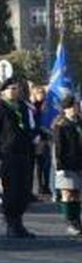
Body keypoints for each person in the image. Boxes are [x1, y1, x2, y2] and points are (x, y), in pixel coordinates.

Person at [0, 77, 38, 238]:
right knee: (12, 190)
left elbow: (29, 127)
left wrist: (34, 138)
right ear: (3, 92)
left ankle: (19, 221)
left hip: (24, 154)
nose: (14, 91)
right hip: (8, 155)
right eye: (10, 89)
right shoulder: (0, 108)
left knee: (24, 190)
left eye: (16, 88)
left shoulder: (22, 106)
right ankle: (11, 223)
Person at [52, 94, 82, 235]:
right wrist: (59, 167)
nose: (77, 108)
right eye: (74, 106)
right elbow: (58, 147)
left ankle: (77, 221)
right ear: (67, 109)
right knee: (68, 193)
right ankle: (70, 221)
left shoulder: (79, 123)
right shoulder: (61, 125)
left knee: (77, 194)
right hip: (66, 164)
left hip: (79, 163)